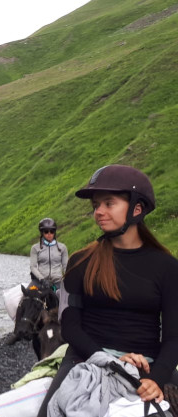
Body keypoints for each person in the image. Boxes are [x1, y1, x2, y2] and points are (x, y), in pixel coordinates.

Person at [37, 165, 178, 417]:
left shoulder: (167, 267)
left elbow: (173, 336)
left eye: (108, 204)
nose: (99, 212)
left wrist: (156, 379)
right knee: (49, 411)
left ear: (137, 208)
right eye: (95, 206)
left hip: (149, 365)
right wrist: (109, 360)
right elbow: (70, 326)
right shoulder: (81, 262)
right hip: (88, 357)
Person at [29, 217, 68, 290]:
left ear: (54, 232)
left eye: (52, 231)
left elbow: (65, 267)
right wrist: (42, 279)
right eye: (46, 231)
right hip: (40, 282)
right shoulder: (35, 248)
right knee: (28, 294)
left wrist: (68, 278)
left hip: (58, 282)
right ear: (42, 233)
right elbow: (33, 267)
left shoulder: (62, 248)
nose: (49, 234)